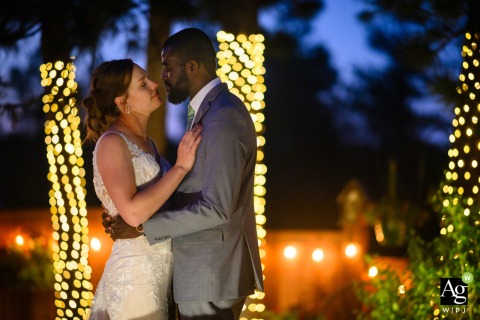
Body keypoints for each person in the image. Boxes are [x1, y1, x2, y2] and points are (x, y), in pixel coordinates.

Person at [104, 28, 264, 319]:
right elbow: (191, 190)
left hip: (212, 276)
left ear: (192, 67)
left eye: (167, 66)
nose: (160, 77)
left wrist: (142, 228)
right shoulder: (208, 113)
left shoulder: (223, 117)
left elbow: (216, 207)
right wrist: (124, 208)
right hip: (196, 275)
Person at [82, 59, 202, 320]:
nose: (154, 84)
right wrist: (180, 167)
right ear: (122, 102)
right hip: (134, 281)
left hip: (159, 276)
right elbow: (134, 214)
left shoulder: (149, 144)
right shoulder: (112, 142)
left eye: (149, 78)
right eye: (142, 84)